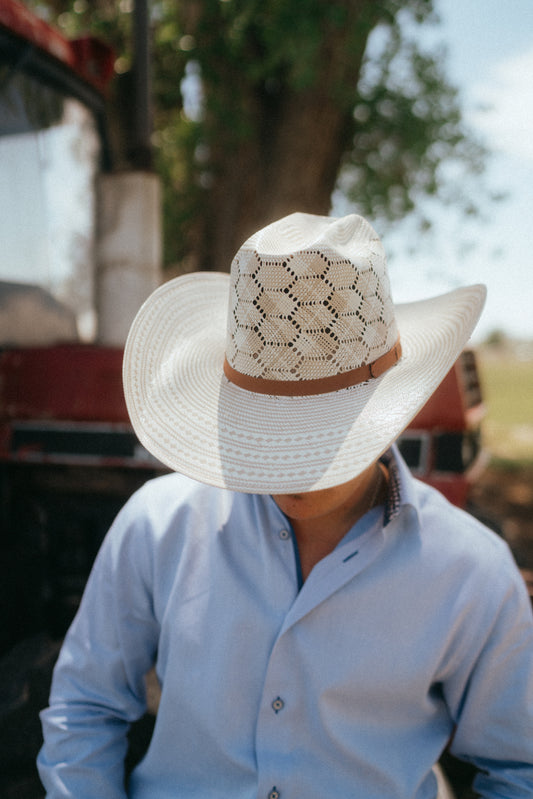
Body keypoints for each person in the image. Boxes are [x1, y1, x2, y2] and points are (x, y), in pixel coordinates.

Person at [38, 213, 533, 798]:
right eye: (268, 431)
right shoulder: (157, 525)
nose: (292, 468)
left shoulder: (474, 574)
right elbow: (84, 708)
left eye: (321, 437)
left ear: (390, 408)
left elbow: (517, 770)